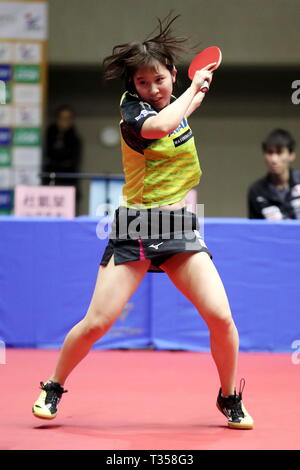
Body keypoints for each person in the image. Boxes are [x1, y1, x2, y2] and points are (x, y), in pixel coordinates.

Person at [32, 14, 254, 430]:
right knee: (97, 321)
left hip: (177, 227)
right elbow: (161, 126)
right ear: (132, 87)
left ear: (172, 73)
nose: (152, 90)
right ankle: (54, 385)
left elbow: (186, 106)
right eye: (142, 83)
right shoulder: (134, 111)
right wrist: (192, 89)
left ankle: (229, 396)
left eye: (158, 80)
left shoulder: (177, 100)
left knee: (222, 317)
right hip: (137, 225)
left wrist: (197, 87)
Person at [248, 129, 300, 219]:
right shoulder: (256, 191)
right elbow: (254, 229)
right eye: (270, 152)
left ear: (292, 155)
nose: (274, 159)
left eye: (279, 152)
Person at [42, 105, 82, 208]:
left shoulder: (75, 138)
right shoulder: (49, 135)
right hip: (49, 181)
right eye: (62, 118)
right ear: (57, 119)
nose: (64, 122)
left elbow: (73, 161)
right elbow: (47, 157)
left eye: (68, 119)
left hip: (68, 181)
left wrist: (59, 161)